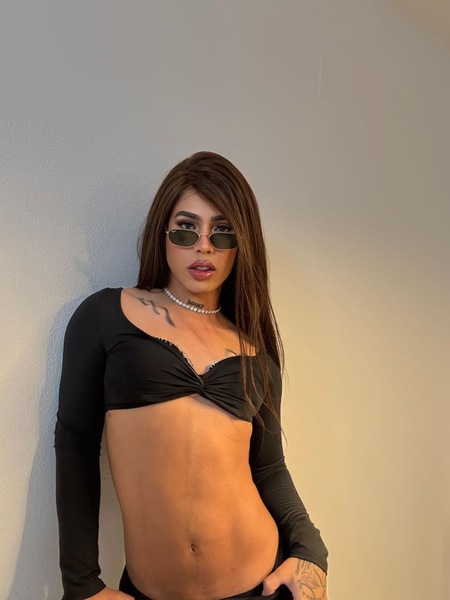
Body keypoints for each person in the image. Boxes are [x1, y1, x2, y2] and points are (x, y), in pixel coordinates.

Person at [55, 151, 329, 600]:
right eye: (187, 228)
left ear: (241, 244)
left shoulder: (254, 349)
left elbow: (269, 467)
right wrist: (81, 584)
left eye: (222, 232)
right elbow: (75, 445)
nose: (204, 246)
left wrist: (312, 551)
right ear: (163, 234)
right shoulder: (106, 315)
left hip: (259, 583)